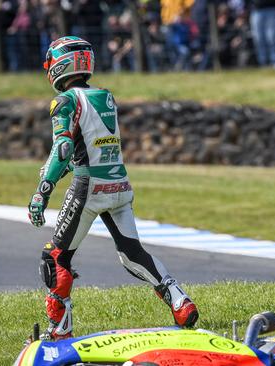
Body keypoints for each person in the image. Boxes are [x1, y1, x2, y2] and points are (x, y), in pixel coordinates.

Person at [28, 36, 199, 340]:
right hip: (119, 184)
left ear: (58, 65)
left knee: (55, 258)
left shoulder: (64, 101)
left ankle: (60, 329)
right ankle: (180, 301)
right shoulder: (106, 97)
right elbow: (89, 145)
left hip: (89, 186)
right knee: (132, 253)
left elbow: (65, 147)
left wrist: (42, 191)